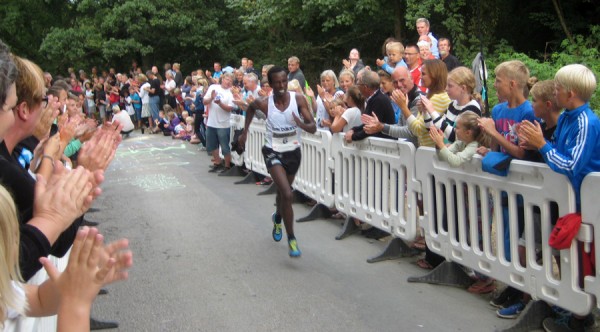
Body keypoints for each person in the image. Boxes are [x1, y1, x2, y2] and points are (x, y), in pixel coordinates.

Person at [518, 65, 600, 332]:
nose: (554, 90)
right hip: (568, 201)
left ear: (570, 93)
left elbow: (571, 165)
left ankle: (582, 317)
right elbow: (558, 154)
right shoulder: (566, 117)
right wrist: (539, 144)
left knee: (586, 261)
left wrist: (542, 145)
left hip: (585, 203)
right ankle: (577, 313)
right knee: (571, 259)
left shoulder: (587, 121)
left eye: (558, 87)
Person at [238, 66, 316, 257]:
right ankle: (292, 239)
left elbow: (313, 127)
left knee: (283, 193)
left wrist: (301, 124)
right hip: (272, 151)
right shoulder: (265, 103)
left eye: (284, 81)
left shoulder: (298, 100)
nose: (281, 85)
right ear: (270, 85)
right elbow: (250, 109)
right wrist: (244, 132)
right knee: (288, 195)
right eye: (277, 82)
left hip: (293, 152)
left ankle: (278, 217)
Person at [344, 69, 396, 142]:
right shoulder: (374, 98)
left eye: (359, 84)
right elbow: (367, 124)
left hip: (385, 145)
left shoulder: (379, 100)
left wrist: (353, 136)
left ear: (365, 87)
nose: (357, 87)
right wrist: (354, 130)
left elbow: (371, 128)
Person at [203, 72, 235, 173]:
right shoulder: (213, 87)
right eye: (227, 79)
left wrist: (220, 103)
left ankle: (227, 165)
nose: (228, 82)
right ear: (222, 79)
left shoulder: (231, 92)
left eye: (230, 81)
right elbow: (204, 101)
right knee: (212, 144)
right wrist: (212, 98)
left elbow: (229, 108)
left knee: (224, 145)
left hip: (223, 123)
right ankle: (217, 162)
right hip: (212, 121)